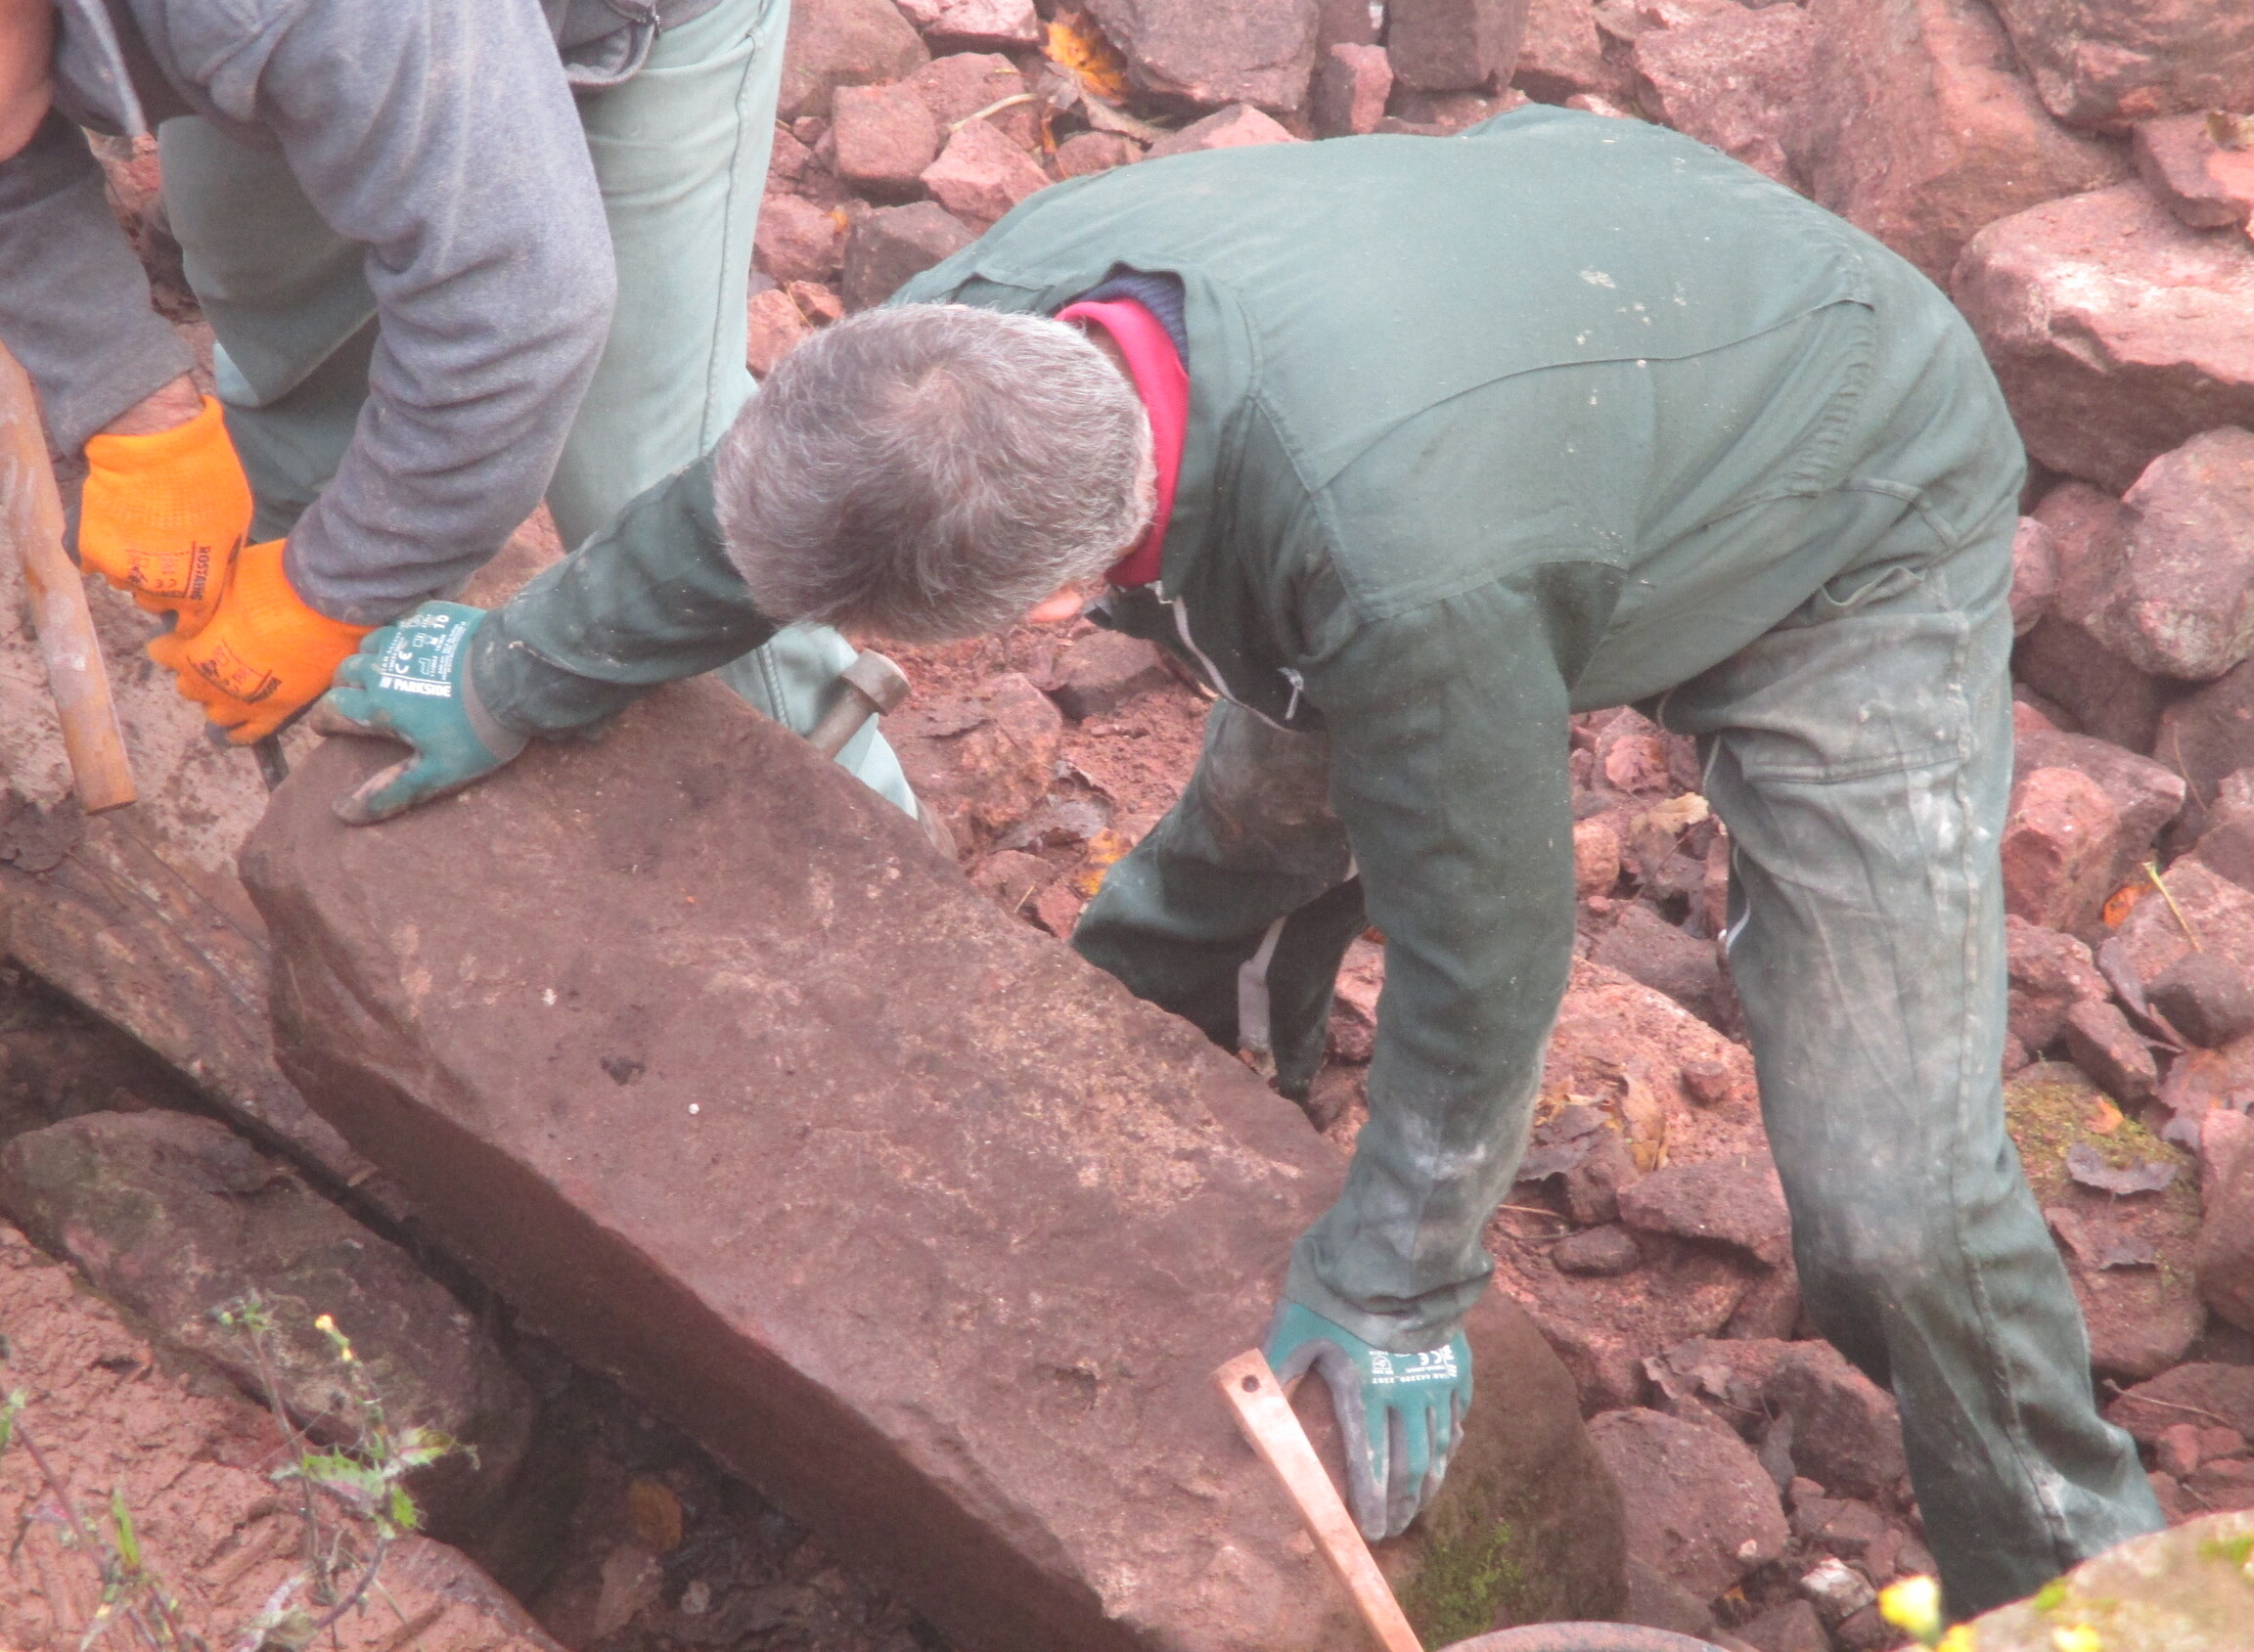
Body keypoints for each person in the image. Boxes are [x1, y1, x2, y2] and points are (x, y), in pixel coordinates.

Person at [309, 107, 2164, 1616]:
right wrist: (520, 667)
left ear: (1059, 596)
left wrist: (1400, 1273)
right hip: (1542, 358)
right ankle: (1178, 1046)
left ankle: (2079, 1577)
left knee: (1890, 1201)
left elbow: (1486, 945)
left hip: (1837, 488)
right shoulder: (974, 340)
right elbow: (761, 517)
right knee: (1257, 825)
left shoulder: (1398, 580)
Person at [0, 0, 915, 814]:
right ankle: (327, 687)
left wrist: (332, 591)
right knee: (278, 324)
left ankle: (837, 812)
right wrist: (133, 407)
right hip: (333, 23)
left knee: (648, 482)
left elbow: (522, 309)